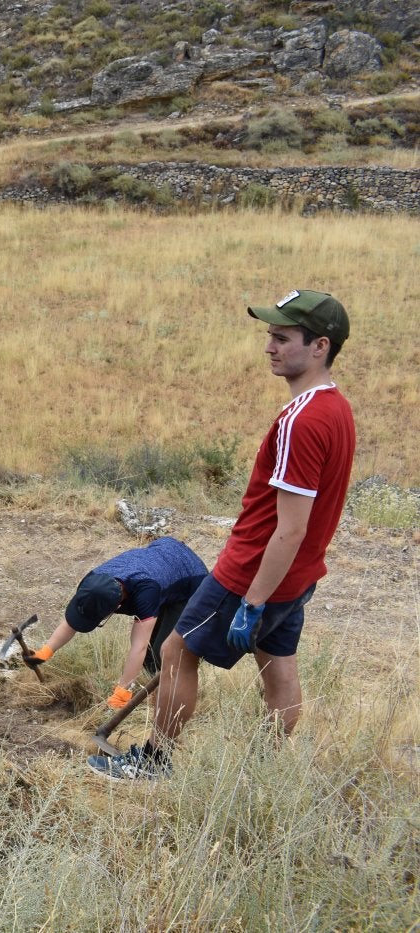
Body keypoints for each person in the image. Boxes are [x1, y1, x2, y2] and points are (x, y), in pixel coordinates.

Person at [90, 289, 354, 781]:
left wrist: (252, 601)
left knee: (175, 651)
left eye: (283, 338)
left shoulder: (302, 419)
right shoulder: (337, 408)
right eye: (269, 336)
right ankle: (268, 772)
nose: (269, 347)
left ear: (320, 346)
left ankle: (154, 762)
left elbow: (290, 527)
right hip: (297, 576)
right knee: (278, 664)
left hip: (254, 571)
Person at [28, 537, 207, 709]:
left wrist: (122, 691)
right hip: (162, 557)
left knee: (164, 651)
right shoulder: (92, 581)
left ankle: (166, 700)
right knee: (150, 653)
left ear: (117, 606)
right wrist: (46, 651)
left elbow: (139, 646)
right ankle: (145, 679)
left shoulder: (146, 592)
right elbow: (73, 620)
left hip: (190, 578)